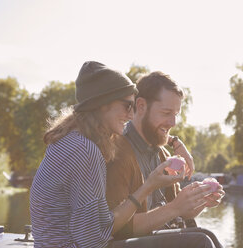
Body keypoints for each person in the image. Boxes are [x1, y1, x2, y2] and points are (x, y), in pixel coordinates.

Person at [30, 61, 215, 248]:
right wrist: (149, 186)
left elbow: (100, 227)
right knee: (200, 241)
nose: (131, 114)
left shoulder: (69, 141)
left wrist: (174, 142)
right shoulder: (85, 150)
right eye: (128, 106)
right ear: (102, 104)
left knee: (201, 236)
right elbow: (94, 239)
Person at [106, 71, 225, 244]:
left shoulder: (162, 153)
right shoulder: (117, 152)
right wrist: (175, 207)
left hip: (156, 238)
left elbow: (177, 211)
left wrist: (201, 200)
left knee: (207, 236)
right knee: (200, 241)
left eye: (176, 114)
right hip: (124, 242)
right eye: (166, 112)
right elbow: (118, 228)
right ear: (141, 106)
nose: (173, 123)